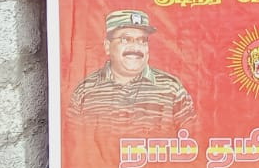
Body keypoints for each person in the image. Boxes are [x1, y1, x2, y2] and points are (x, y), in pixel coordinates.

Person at [68, 9, 196, 135]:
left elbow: (192, 139)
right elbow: (72, 141)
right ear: (107, 46)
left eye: (142, 40)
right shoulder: (85, 91)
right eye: (125, 39)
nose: (135, 47)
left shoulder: (171, 89)